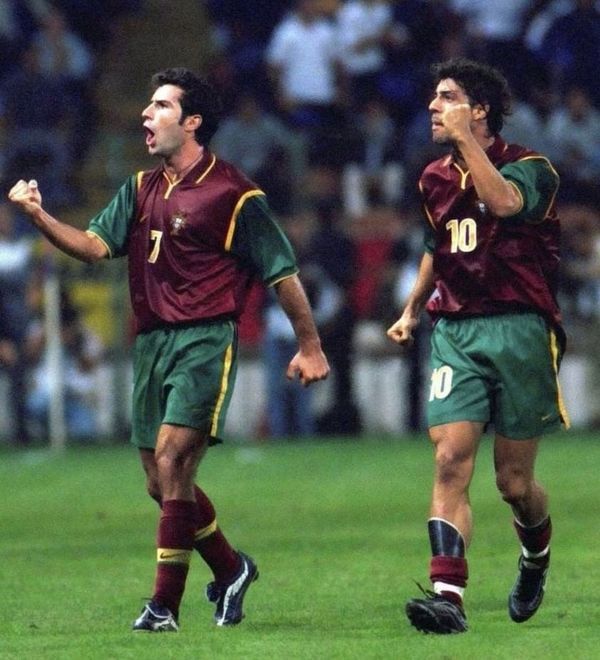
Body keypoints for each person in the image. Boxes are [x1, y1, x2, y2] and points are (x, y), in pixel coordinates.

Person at [8, 67, 329, 632]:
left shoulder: (234, 193)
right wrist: (37, 215)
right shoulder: (139, 188)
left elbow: (282, 271)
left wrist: (310, 345)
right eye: (148, 104)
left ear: (193, 121)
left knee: (174, 458)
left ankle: (164, 607)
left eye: (160, 105)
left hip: (205, 339)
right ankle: (231, 569)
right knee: (159, 482)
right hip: (151, 342)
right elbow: (93, 246)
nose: (146, 114)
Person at [387, 58, 569, 634]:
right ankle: (448, 596)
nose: (433, 107)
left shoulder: (532, 168)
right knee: (449, 459)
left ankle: (535, 554)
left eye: (447, 97)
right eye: (434, 97)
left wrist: (467, 142)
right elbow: (436, 247)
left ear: (479, 110)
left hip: (520, 328)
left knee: (513, 484)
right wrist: (411, 309)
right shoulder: (433, 178)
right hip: (456, 330)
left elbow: (507, 204)